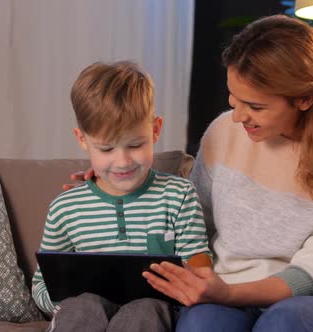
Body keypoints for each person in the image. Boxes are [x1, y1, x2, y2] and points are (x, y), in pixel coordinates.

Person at [139, 15, 313, 331]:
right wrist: (116, 185)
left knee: (283, 322)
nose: (237, 117)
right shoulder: (222, 133)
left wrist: (230, 293)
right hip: (225, 289)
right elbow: (187, 220)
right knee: (204, 323)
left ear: (305, 98)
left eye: (255, 106)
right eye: (233, 98)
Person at [33, 61, 212, 332]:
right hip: (82, 313)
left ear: (155, 130)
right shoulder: (65, 208)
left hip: (152, 311)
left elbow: (200, 265)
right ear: (82, 139)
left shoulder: (179, 195)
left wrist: (190, 277)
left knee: (146, 307)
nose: (122, 161)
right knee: (83, 306)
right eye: (106, 149)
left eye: (136, 145)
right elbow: (41, 284)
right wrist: (64, 299)